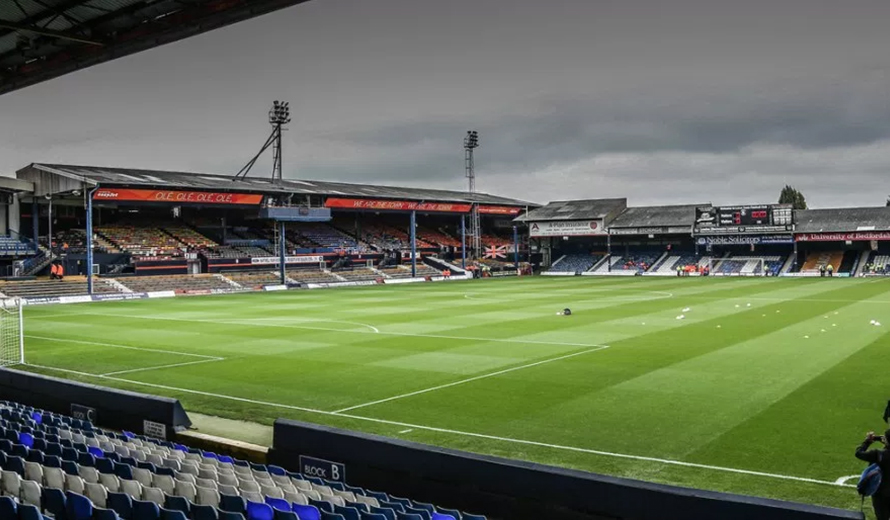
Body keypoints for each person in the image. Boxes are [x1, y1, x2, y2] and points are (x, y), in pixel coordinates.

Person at [856, 430, 890, 520]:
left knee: (882, 517)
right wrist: (879, 438)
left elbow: (859, 453)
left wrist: (867, 441)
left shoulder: (878, 454)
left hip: (881, 493)